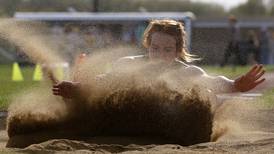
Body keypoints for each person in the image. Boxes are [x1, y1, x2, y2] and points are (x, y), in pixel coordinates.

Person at [52, 19, 265, 99]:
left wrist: (236, 85)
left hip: (171, 121)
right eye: (155, 48)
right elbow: (106, 81)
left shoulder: (187, 72)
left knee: (208, 97)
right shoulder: (129, 64)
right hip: (131, 119)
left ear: (178, 50)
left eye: (167, 49)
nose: (160, 55)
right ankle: (79, 75)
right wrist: (79, 87)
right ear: (148, 45)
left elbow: (213, 81)